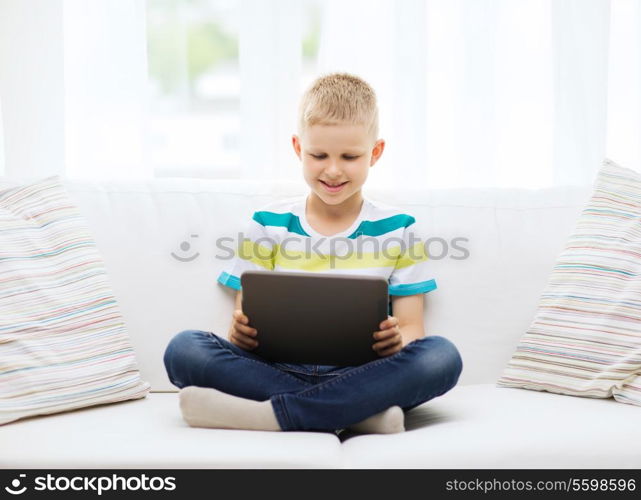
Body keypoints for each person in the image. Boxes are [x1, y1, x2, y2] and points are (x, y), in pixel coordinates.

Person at [163, 72, 463, 434]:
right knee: (184, 350)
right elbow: (243, 316)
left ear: (375, 153)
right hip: (274, 369)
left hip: (363, 373)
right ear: (297, 148)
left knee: (442, 356)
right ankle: (356, 414)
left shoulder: (400, 229)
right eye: (318, 154)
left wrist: (398, 341)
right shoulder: (266, 224)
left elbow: (413, 328)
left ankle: (281, 413)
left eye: (350, 156)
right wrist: (240, 333)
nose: (333, 170)